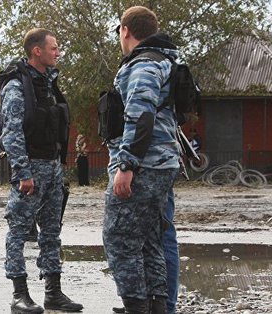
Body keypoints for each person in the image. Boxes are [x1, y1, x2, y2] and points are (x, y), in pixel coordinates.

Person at [0, 28, 83, 313]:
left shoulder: (49, 84)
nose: (57, 52)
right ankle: (19, 295)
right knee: (19, 231)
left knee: (51, 232)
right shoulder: (17, 86)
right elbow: (11, 133)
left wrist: (60, 168)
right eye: (53, 48)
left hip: (53, 169)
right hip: (30, 170)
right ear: (37, 50)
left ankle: (53, 292)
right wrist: (23, 173)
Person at [103, 6, 180, 314]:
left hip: (143, 165)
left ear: (125, 30)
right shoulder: (166, 60)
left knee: (119, 239)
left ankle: (137, 307)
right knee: (150, 239)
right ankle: (157, 306)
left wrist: (126, 165)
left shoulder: (143, 65)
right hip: (163, 164)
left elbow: (141, 115)